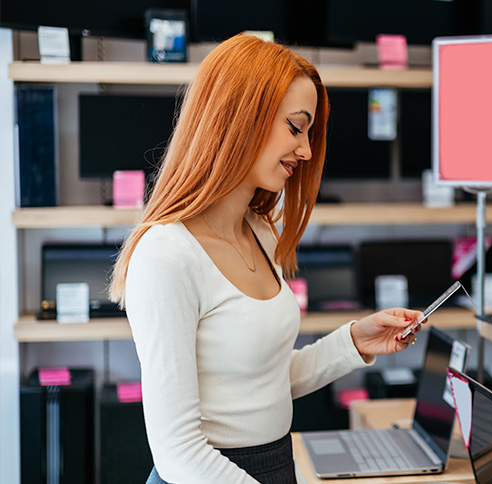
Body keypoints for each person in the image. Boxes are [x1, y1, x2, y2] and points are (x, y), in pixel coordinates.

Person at [108, 34, 424, 484]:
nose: (307, 150)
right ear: (238, 119)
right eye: (296, 128)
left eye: (309, 133)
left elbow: (261, 382)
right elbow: (178, 451)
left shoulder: (258, 232)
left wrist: (354, 342)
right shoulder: (166, 256)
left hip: (274, 467)